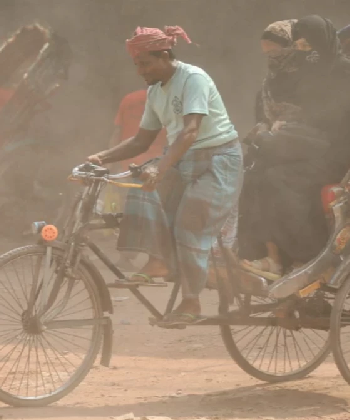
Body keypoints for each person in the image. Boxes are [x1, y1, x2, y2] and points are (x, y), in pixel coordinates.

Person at [87, 26, 242, 327]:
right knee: (139, 186)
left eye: (145, 64)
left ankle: (191, 302)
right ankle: (158, 260)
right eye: (137, 65)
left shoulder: (193, 78)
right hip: (182, 158)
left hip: (218, 160)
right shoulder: (155, 91)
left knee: (188, 223)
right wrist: (100, 157)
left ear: (165, 55)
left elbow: (190, 131)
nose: (140, 71)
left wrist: (159, 169)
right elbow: (141, 141)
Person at [238, 15, 350, 279]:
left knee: (281, 179)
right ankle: (271, 257)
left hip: (341, 153)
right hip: (315, 145)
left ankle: (308, 257)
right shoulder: (311, 73)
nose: (305, 53)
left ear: (322, 41)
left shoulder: (347, 70)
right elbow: (308, 115)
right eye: (299, 47)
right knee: (258, 170)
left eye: (308, 46)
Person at [100, 89, 168, 261]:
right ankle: (156, 260)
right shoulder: (167, 102)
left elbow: (116, 134)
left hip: (129, 166)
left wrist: (110, 161)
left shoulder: (129, 99)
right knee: (156, 214)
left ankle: (127, 256)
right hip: (156, 168)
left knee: (129, 213)